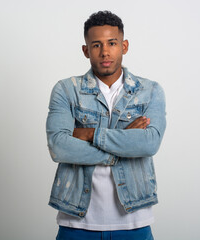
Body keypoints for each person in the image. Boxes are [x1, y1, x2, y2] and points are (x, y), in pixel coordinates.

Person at [46, 10, 166, 240]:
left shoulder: (150, 91)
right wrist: (124, 143)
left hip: (134, 222)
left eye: (112, 43)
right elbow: (59, 147)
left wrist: (90, 134)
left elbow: (149, 144)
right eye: (96, 45)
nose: (105, 52)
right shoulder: (66, 90)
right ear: (86, 50)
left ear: (124, 46)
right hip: (76, 222)